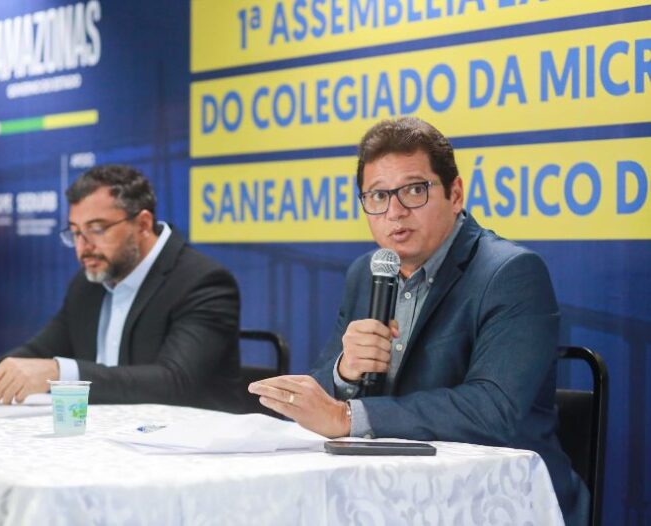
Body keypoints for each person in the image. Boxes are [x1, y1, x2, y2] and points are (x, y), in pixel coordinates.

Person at [248, 117, 588, 525]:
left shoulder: (510, 272)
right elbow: (325, 399)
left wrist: (349, 416)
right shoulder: (368, 272)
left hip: (500, 499)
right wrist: (343, 371)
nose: (394, 212)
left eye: (413, 190)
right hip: (391, 491)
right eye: (377, 196)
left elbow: (493, 410)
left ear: (455, 193)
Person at [0, 165, 241, 411]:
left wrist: (59, 374)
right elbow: (42, 350)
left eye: (97, 230)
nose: (82, 247)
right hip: (108, 439)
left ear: (142, 224)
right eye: (74, 233)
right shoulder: (90, 280)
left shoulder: (201, 281)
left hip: (185, 451)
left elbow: (175, 382)